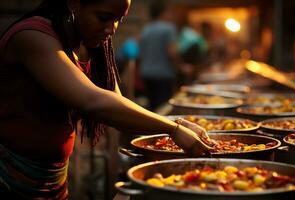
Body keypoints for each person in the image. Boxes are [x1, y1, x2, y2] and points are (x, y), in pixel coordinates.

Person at [0, 0, 212, 199]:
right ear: (74, 3)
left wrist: (180, 126)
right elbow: (92, 100)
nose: (112, 29)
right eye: (104, 17)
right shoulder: (32, 36)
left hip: (52, 178)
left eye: (119, 19)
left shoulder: (90, 42)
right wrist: (173, 129)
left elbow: (116, 104)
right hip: (9, 176)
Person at [139, 0, 179, 111]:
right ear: (164, 12)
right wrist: (180, 67)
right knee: (163, 108)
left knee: (152, 107)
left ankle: (151, 128)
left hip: (147, 73)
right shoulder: (168, 28)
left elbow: (141, 52)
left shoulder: (146, 29)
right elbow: (172, 52)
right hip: (163, 74)